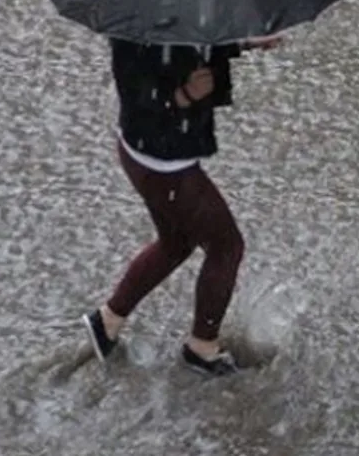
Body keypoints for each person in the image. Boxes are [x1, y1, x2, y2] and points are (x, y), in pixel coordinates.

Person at [82, 32, 284, 377]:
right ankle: (202, 348)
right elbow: (139, 92)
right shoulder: (137, 32)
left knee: (176, 243)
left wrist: (243, 43)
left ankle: (108, 320)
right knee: (226, 246)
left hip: (146, 154)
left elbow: (191, 43)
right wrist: (184, 95)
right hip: (164, 165)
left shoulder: (167, 15)